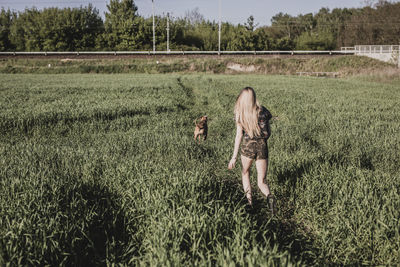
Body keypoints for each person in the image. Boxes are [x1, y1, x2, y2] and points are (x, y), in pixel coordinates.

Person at [228, 87, 275, 214]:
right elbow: (268, 131)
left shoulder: (240, 113)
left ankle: (249, 202)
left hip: (248, 146)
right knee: (262, 181)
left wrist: (234, 157)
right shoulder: (263, 111)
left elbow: (239, 136)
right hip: (262, 146)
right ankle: (269, 197)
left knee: (245, 173)